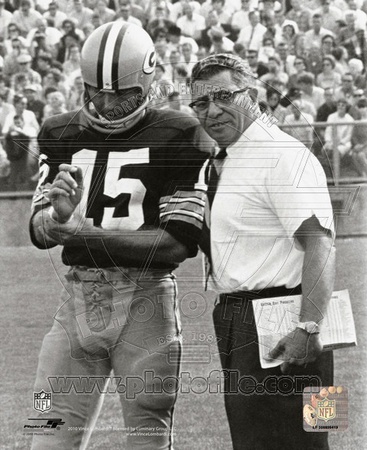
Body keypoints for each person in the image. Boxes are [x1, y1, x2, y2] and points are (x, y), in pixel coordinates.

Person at [29, 22, 210, 450]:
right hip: (74, 302)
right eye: (97, 91)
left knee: (148, 431)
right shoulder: (58, 130)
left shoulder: (181, 133)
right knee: (44, 426)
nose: (107, 103)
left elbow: (177, 242)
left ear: (147, 82)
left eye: (120, 93)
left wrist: (83, 234)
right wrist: (53, 222)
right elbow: (38, 228)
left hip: (147, 302)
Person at [189, 53, 335, 450]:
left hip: (284, 316)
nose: (211, 110)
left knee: (297, 442)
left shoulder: (281, 153)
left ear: (251, 94)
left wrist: (310, 327)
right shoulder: (230, 158)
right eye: (200, 102)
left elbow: (320, 243)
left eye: (223, 96)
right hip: (241, 316)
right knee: (256, 438)